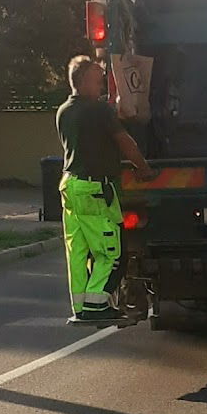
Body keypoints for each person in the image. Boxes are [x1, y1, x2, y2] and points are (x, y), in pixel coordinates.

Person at [57, 55, 155, 326]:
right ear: (84, 81)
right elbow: (124, 142)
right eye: (98, 81)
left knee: (78, 251)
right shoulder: (98, 111)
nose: (101, 87)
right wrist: (143, 168)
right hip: (94, 189)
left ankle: (81, 307)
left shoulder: (64, 110)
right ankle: (97, 305)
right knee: (112, 252)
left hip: (71, 186)